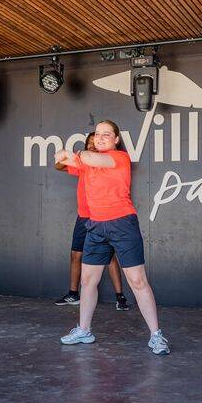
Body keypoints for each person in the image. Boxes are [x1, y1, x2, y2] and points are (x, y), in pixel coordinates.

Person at [54, 120, 168, 355]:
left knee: (137, 281)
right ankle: (84, 330)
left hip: (122, 224)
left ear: (116, 139)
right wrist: (60, 155)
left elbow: (90, 158)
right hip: (95, 226)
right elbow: (61, 164)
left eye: (107, 134)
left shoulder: (119, 158)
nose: (101, 137)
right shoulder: (87, 162)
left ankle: (156, 335)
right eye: (98, 134)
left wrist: (73, 153)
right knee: (87, 281)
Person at [54, 132, 129, 311]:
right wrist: (67, 155)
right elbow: (59, 166)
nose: (92, 146)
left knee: (109, 258)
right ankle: (73, 294)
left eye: (94, 144)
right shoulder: (83, 165)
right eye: (89, 144)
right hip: (84, 217)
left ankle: (120, 297)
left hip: (102, 217)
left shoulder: (111, 162)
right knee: (76, 254)